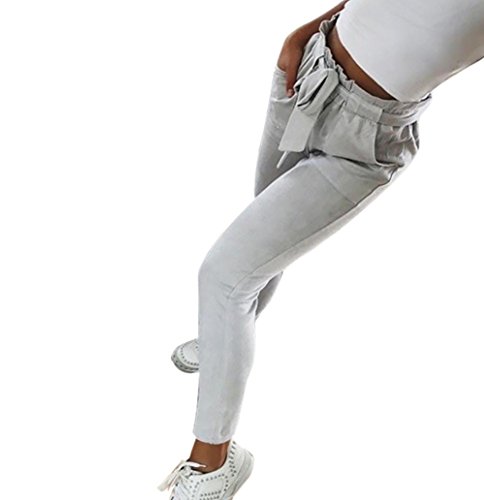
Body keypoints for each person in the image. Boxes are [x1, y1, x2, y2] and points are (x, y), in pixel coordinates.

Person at [158, 1, 484, 498]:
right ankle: (219, 341)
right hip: (308, 71)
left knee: (224, 275)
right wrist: (304, 33)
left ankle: (214, 465)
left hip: (365, 141)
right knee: (256, 246)